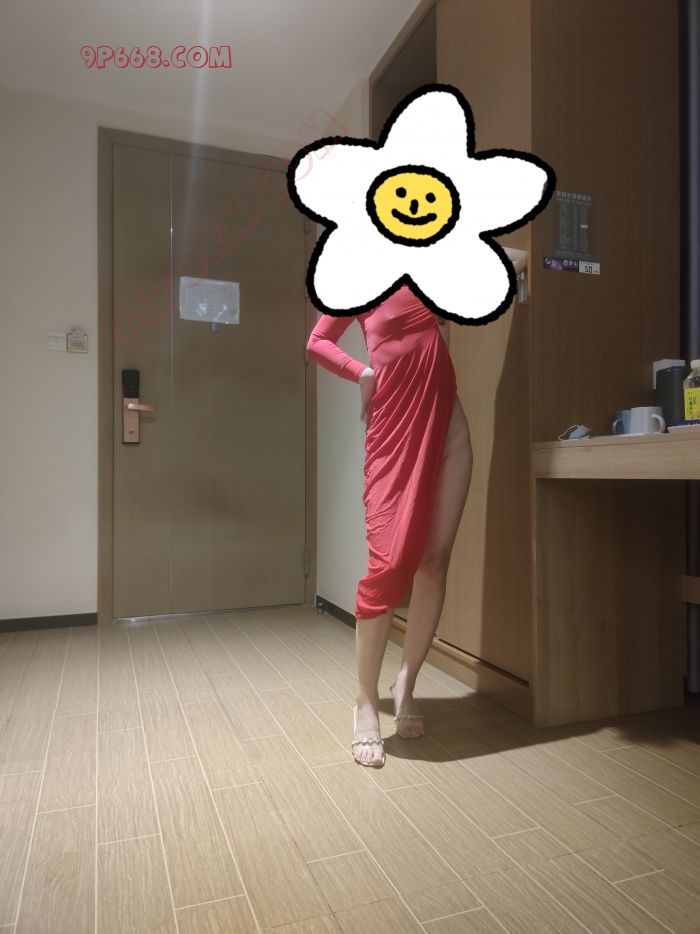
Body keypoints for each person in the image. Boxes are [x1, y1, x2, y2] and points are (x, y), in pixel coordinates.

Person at [306, 249, 527, 767]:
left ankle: (406, 683)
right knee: (386, 568)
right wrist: (361, 372)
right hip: (393, 438)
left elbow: (514, 259)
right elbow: (317, 341)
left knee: (434, 563)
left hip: (449, 433)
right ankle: (366, 701)